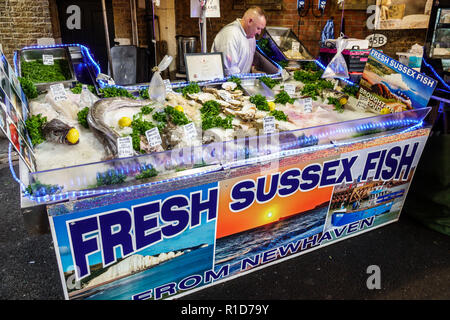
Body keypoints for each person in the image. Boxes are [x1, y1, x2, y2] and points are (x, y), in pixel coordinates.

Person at [211, 6, 266, 76]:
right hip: (226, 85)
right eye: (258, 28)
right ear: (249, 21)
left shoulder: (251, 35)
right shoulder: (230, 34)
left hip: (241, 81)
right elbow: (230, 72)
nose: (259, 32)